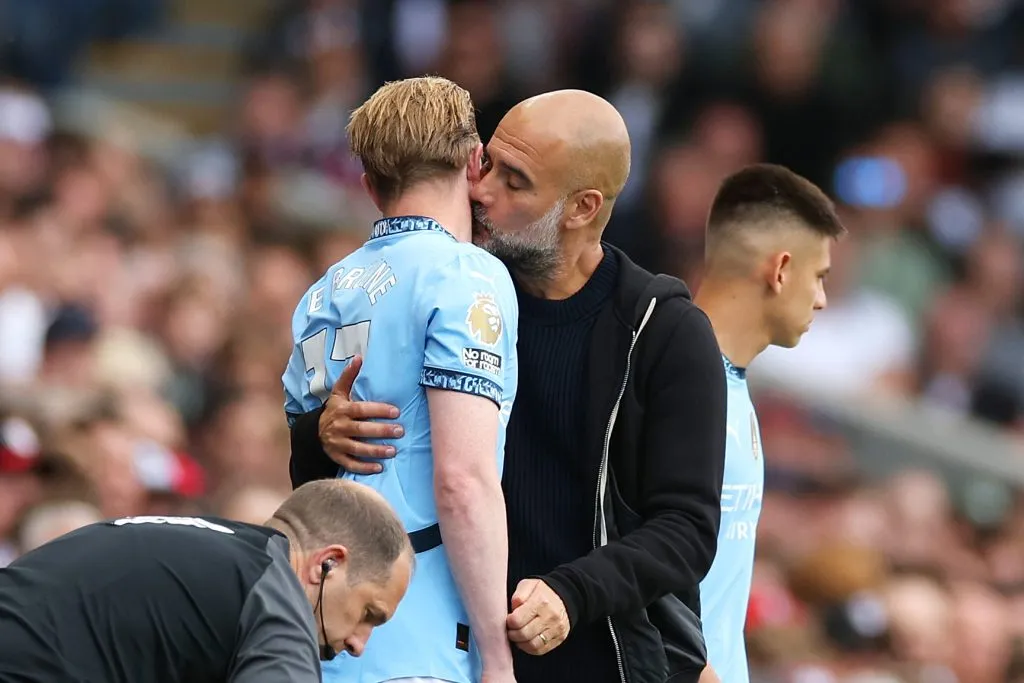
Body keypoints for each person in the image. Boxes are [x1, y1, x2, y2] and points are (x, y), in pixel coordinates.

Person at [289, 90, 726, 683]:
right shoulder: (456, 288)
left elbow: (686, 529)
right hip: (456, 648)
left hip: (596, 653)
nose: (482, 190)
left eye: (515, 181)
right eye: (487, 164)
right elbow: (332, 482)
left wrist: (573, 594)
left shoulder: (663, 329)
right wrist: (322, 433)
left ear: (581, 207)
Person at [282, 76, 519, 683]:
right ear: (474, 162)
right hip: (415, 631)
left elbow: (304, 468)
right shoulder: (466, 276)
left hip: (319, 622)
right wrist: (496, 652)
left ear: (369, 186)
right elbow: (462, 481)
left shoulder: (321, 293)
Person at [0, 478, 413, 683]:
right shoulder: (274, 596)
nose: (360, 644)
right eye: (368, 614)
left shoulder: (202, 544)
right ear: (327, 564)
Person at [693, 164, 845, 683]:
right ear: (780, 270)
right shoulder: (673, 389)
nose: (822, 298)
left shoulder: (732, 387)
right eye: (819, 275)